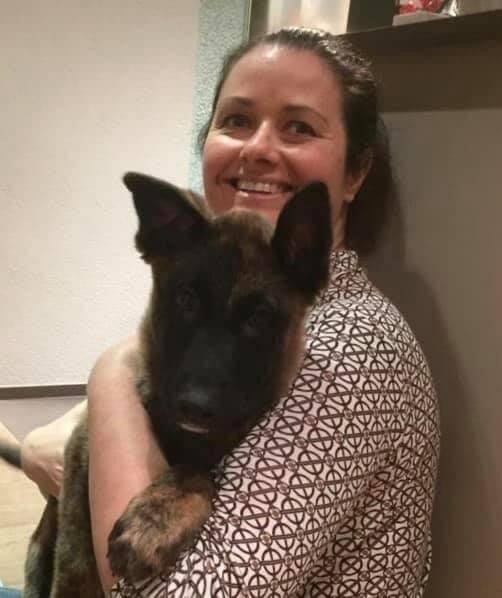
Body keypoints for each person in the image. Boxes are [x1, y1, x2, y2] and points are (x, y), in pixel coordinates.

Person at [4, 27, 440, 597]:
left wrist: (108, 377)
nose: (258, 148)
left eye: (299, 127)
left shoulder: (350, 350)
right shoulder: (236, 292)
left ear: (356, 173)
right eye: (236, 119)